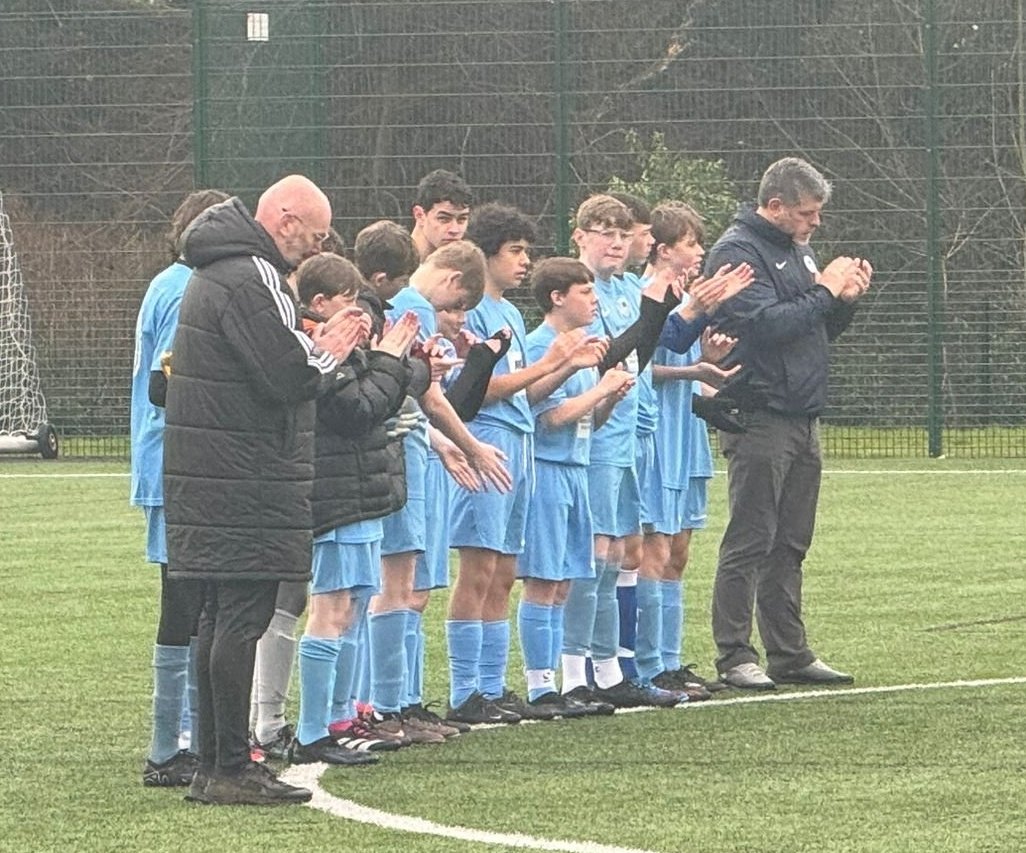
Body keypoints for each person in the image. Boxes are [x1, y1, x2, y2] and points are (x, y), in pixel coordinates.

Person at [163, 174, 367, 805]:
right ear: (284, 219)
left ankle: (213, 765)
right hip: (246, 479)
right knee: (241, 619)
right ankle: (229, 767)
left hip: (213, 475)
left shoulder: (213, 272)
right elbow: (285, 377)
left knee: (217, 620)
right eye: (316, 230)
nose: (319, 243)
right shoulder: (255, 276)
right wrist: (329, 349)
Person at [706, 157, 872, 690]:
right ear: (774, 206)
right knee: (751, 538)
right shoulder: (737, 252)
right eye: (806, 214)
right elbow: (763, 328)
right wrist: (824, 290)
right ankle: (734, 654)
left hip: (802, 415)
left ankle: (789, 652)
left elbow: (811, 330)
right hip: (760, 414)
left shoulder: (796, 248)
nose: (814, 224)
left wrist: (841, 304)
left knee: (791, 542)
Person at [447, 203, 597, 724]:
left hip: (519, 446)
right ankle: (466, 691)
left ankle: (492, 685)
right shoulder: (472, 312)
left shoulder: (510, 313)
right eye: (514, 251)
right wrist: (550, 363)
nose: (524, 262)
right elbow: (475, 393)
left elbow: (526, 395)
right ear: (486, 256)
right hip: (485, 444)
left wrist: (562, 369)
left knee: (504, 571)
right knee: (478, 569)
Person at [367, 240, 512, 742]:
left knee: (412, 589)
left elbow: (421, 395)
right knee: (394, 586)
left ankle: (401, 702)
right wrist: (469, 445)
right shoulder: (412, 308)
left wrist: (446, 442)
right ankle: (382, 706)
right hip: (401, 460)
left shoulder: (409, 306)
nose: (454, 318)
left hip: (417, 455)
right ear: (452, 283)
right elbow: (426, 398)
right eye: (458, 307)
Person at [288, 252, 425, 766]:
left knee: (355, 606)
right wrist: (392, 360)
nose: (359, 315)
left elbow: (388, 393)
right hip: (336, 494)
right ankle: (310, 731)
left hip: (364, 492)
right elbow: (356, 409)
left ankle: (341, 718)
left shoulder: (351, 346)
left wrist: (403, 360)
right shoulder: (317, 349)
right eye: (348, 303)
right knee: (331, 609)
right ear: (319, 305)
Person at [131, 188, 229, 787]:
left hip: (180, 461)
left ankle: (190, 735)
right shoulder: (180, 289)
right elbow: (167, 384)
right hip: (175, 462)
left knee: (197, 603)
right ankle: (168, 747)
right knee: (184, 603)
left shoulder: (179, 283)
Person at [517, 257, 632, 717]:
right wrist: (599, 389)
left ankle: (571, 682)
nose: (594, 300)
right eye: (584, 292)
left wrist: (607, 397)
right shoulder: (542, 346)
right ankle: (540, 685)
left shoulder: (585, 347)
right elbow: (550, 418)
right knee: (543, 581)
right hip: (547, 471)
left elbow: (586, 419)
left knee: (565, 582)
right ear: (557, 297)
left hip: (577, 468)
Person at [638, 201, 736, 698]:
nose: (699, 252)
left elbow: (681, 365)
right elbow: (638, 368)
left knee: (678, 551)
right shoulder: (646, 297)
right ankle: (648, 666)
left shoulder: (684, 299)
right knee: (652, 549)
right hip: (655, 434)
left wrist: (706, 362)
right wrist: (690, 369)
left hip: (685, 434)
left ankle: (672, 662)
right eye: (692, 243)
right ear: (663, 249)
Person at [410, 169, 473, 261]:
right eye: (444, 219)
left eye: (462, 219)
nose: (454, 230)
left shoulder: (466, 266)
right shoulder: (391, 264)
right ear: (420, 215)